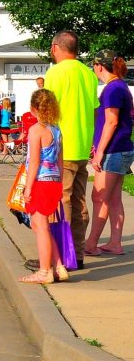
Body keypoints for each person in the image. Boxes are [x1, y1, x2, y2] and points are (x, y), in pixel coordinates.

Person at [29, 30, 98, 272]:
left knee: (60, 203)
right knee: (79, 201)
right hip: (82, 146)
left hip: (61, 148)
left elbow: (47, 108)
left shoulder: (56, 72)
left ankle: (59, 257)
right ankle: (77, 253)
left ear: (56, 47)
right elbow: (94, 110)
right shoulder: (89, 74)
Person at [84, 50, 133, 257]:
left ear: (99, 66)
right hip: (122, 148)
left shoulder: (113, 88)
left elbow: (111, 122)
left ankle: (91, 244)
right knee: (113, 198)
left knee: (100, 197)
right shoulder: (120, 85)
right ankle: (114, 243)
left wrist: (99, 152)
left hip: (113, 150)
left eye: (93, 66)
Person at [19, 88, 68, 284]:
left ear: (33, 108)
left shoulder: (35, 130)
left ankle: (44, 271)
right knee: (42, 226)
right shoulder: (56, 130)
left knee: (40, 227)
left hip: (40, 181)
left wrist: (28, 188)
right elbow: (60, 161)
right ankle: (59, 266)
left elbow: (35, 162)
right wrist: (60, 183)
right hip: (54, 181)